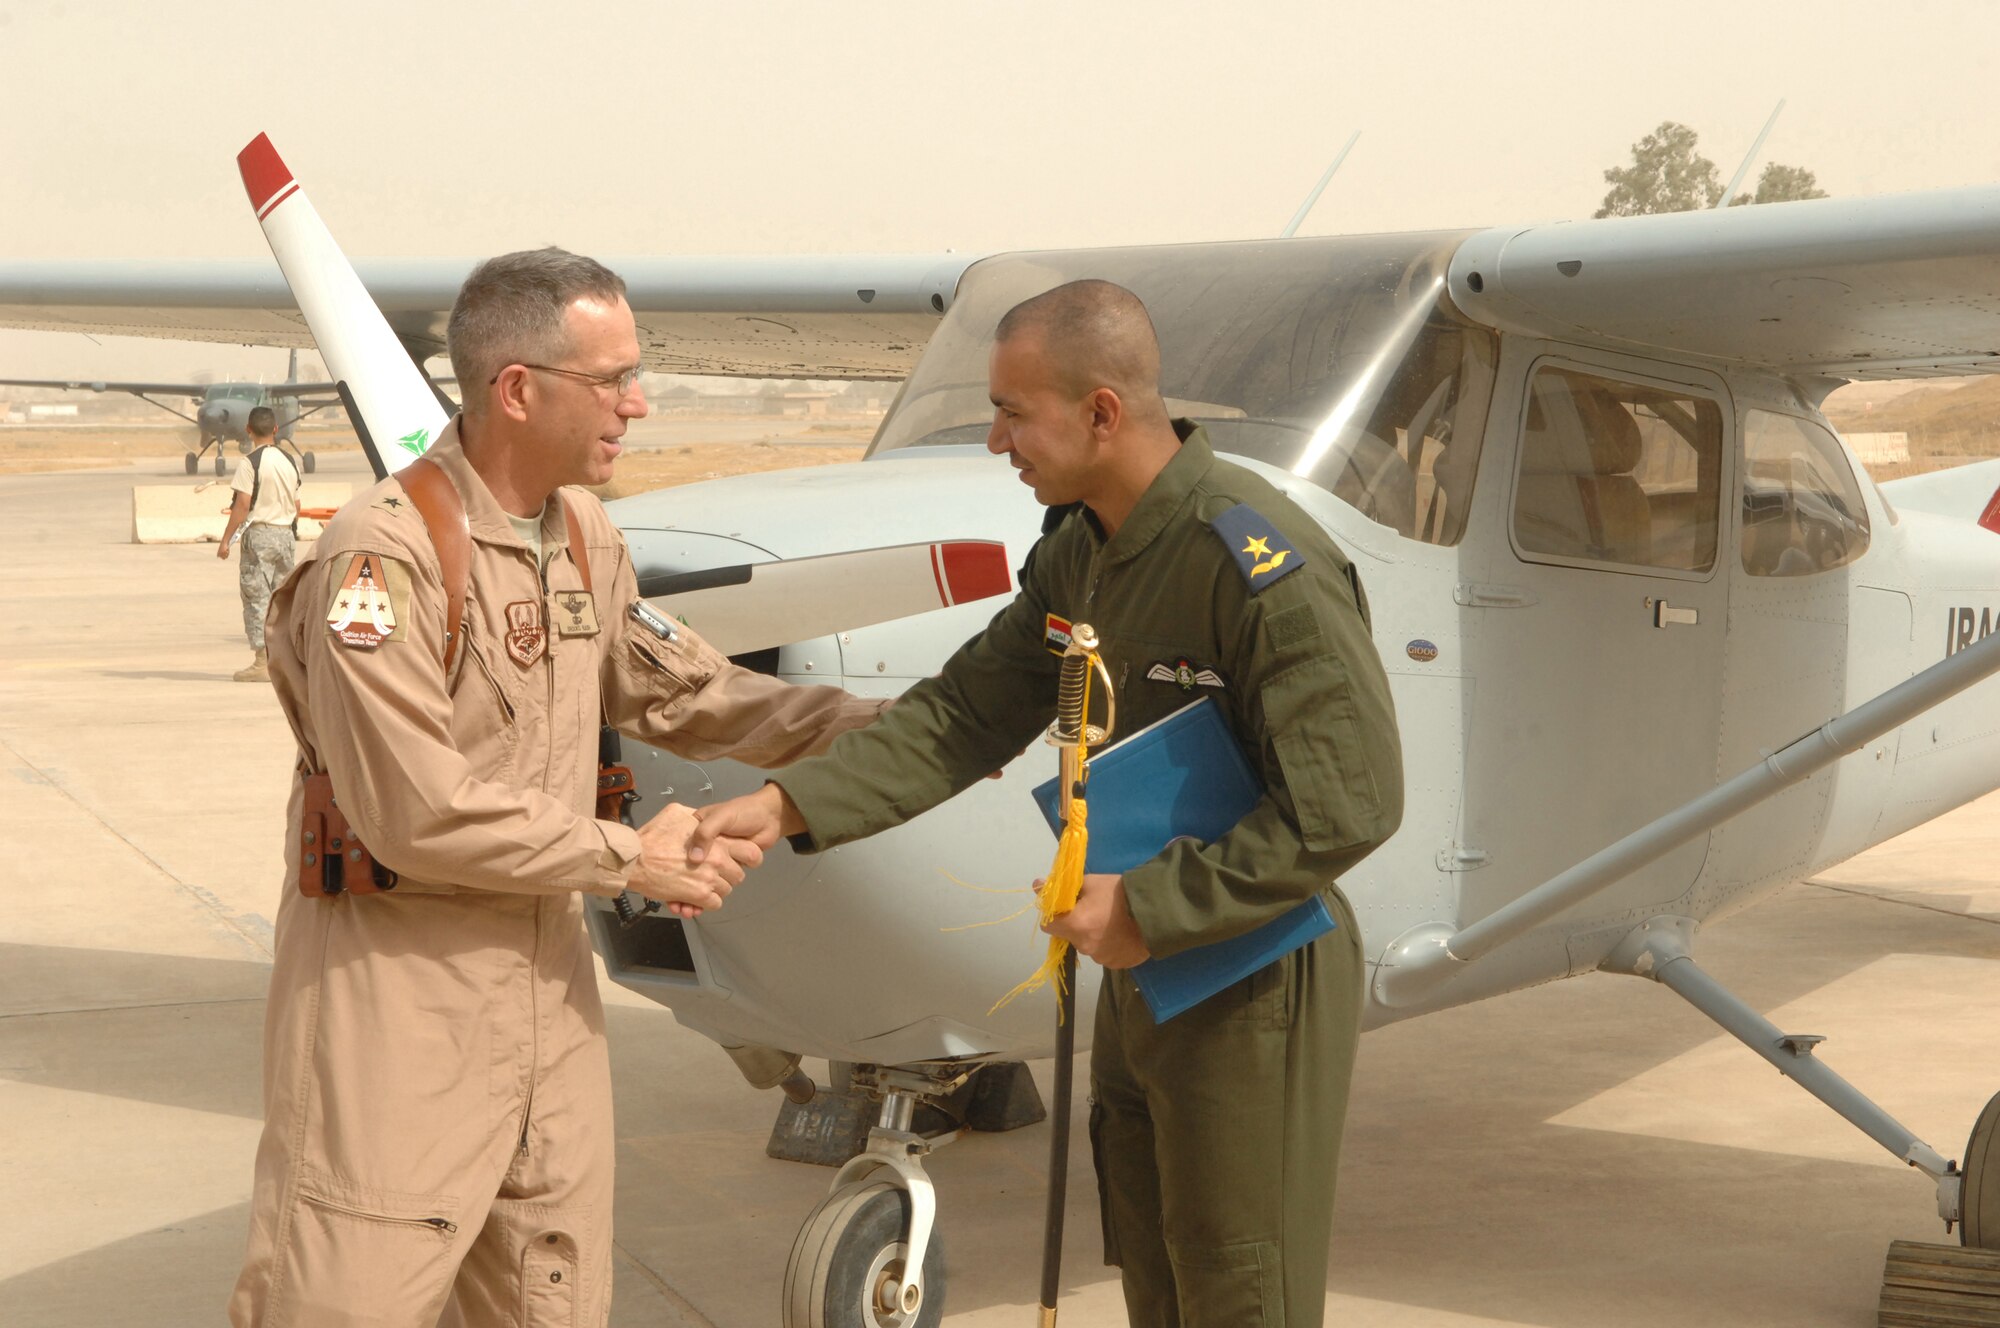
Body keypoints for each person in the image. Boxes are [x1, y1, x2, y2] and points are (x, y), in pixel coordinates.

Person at [691, 280, 1404, 1326]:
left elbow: (1348, 804)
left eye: (1014, 413)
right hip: (1142, 963)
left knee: (1239, 1283)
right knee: (1158, 1262)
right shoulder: (1083, 547)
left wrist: (1151, 909)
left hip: (1252, 972)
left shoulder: (1254, 562)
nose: (993, 440)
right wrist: (788, 804)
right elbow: (965, 710)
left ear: (1101, 412)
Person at [229, 248, 887, 1328]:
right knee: (344, 1297)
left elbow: (693, 695)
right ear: (518, 389)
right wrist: (637, 857)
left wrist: (911, 732)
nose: (639, 401)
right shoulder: (380, 560)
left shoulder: (581, 536)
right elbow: (416, 809)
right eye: (611, 377)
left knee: (549, 1297)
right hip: (399, 1005)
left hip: (548, 1002)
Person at [217, 405, 300, 682]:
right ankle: (285, 661)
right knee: (283, 600)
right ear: (276, 429)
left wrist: (226, 539)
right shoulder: (290, 461)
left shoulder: (249, 462)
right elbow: (296, 502)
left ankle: (262, 662)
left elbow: (242, 505)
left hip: (260, 534)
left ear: (248, 430)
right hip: (286, 535)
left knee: (257, 598)